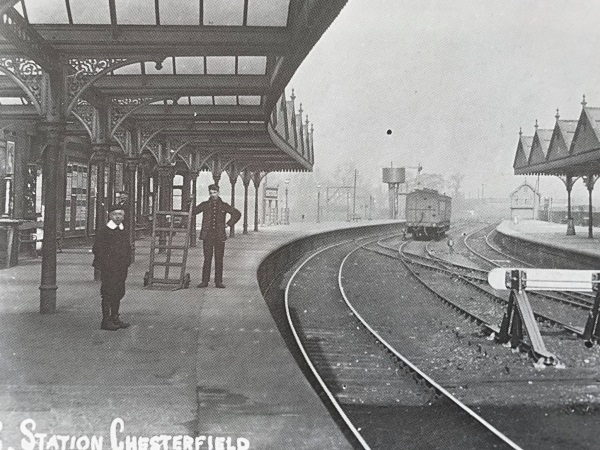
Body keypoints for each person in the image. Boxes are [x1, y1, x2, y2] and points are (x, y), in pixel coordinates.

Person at [92, 205, 132, 331]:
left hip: (121, 267)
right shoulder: (104, 231)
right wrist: (106, 263)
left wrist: (126, 261)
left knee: (119, 291)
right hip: (109, 268)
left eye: (121, 214)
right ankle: (106, 320)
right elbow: (97, 249)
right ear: (110, 216)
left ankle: (115, 317)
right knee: (108, 293)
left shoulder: (123, 231)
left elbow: (127, 248)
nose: (118, 217)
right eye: (115, 214)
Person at [193, 184, 241, 288]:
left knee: (219, 258)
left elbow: (237, 214)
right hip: (207, 236)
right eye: (211, 193)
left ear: (218, 192)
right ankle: (204, 281)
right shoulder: (205, 205)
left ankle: (218, 281)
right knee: (207, 258)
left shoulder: (223, 205)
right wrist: (189, 203)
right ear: (209, 193)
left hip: (219, 236)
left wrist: (228, 224)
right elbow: (193, 211)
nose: (213, 195)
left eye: (214, 193)